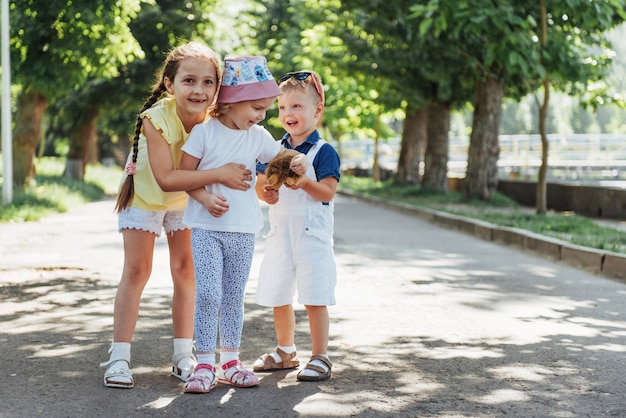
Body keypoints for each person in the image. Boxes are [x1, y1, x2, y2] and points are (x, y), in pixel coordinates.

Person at [100, 42, 253, 389]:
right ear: (170, 84)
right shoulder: (156, 118)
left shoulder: (217, 120)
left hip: (187, 199)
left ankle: (185, 355)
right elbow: (167, 179)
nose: (199, 90)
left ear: (218, 87)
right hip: (146, 196)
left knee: (186, 270)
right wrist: (220, 175)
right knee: (137, 271)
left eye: (208, 82)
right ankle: (119, 356)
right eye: (189, 81)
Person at [179, 56, 308, 394]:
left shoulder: (258, 135)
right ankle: (204, 363)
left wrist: (294, 162)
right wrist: (204, 197)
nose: (261, 116)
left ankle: (230, 362)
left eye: (266, 110)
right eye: (256, 107)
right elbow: (183, 176)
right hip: (206, 228)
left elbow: (278, 160)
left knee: (234, 296)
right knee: (208, 293)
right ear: (231, 101)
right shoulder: (204, 133)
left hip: (243, 230)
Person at [253, 70, 340, 382]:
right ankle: (285, 351)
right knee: (278, 292)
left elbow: (327, 192)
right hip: (280, 235)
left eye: (296, 107)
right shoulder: (273, 148)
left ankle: (320, 355)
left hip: (312, 236)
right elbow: (262, 187)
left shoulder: (323, 151)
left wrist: (302, 182)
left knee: (314, 295)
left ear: (317, 110)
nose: (288, 114)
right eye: (282, 108)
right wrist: (269, 193)